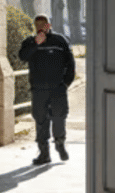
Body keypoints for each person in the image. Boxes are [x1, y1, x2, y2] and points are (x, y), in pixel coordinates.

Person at [18, 14, 75, 165]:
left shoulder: (60, 41)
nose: (40, 28)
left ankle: (60, 144)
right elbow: (22, 57)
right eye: (37, 26)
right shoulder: (30, 42)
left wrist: (65, 83)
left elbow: (70, 63)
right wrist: (35, 44)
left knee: (59, 117)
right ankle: (44, 153)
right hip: (39, 89)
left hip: (58, 89)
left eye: (43, 25)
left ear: (48, 26)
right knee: (41, 119)